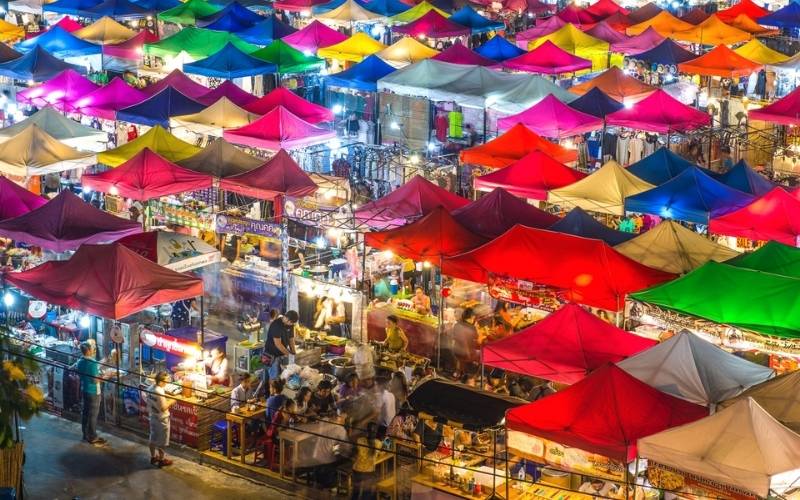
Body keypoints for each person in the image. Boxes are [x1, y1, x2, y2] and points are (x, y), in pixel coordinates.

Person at [73, 342, 108, 445]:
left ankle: (85, 434)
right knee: (93, 415)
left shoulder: (80, 361)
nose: (94, 349)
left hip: (85, 389)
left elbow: (94, 366)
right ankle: (92, 436)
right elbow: (95, 380)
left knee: (86, 413)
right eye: (92, 348)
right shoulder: (92, 363)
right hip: (93, 392)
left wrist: (105, 360)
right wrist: (107, 376)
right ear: (88, 350)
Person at [147, 371, 176, 467]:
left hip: (153, 417)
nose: (167, 382)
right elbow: (163, 407)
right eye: (166, 380)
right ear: (161, 381)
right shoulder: (159, 391)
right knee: (162, 441)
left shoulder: (150, 388)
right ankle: (161, 459)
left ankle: (153, 457)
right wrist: (172, 401)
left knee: (153, 437)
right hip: (162, 419)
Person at [263, 310, 298, 384]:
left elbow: (291, 339)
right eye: (291, 322)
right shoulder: (276, 325)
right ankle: (270, 394)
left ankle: (276, 391)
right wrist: (289, 355)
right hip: (270, 354)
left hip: (281, 354)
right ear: (287, 319)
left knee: (280, 377)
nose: (291, 324)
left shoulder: (290, 325)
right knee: (273, 378)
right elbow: (278, 344)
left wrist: (294, 352)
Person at [351, 422, 382, 500]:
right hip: (368, 472)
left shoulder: (359, 440)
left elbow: (354, 453)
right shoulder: (378, 443)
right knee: (369, 494)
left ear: (367, 431)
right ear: (376, 432)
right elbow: (378, 454)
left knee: (355, 492)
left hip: (356, 471)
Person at [452, 308, 479, 377]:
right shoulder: (472, 328)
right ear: (472, 317)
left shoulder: (457, 324)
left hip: (456, 351)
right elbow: (477, 338)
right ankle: (474, 375)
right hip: (467, 353)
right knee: (481, 353)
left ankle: (459, 371)